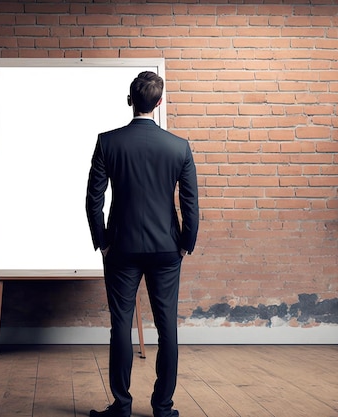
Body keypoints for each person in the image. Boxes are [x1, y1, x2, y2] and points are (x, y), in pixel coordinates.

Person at [86, 71, 199, 417]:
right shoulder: (179, 147)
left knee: (120, 324)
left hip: (121, 248)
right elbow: (191, 203)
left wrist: (102, 241)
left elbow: (93, 199)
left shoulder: (108, 142)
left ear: (130, 100)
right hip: (166, 248)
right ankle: (163, 408)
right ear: (159, 102)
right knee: (168, 327)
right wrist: (186, 244)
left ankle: (121, 406)